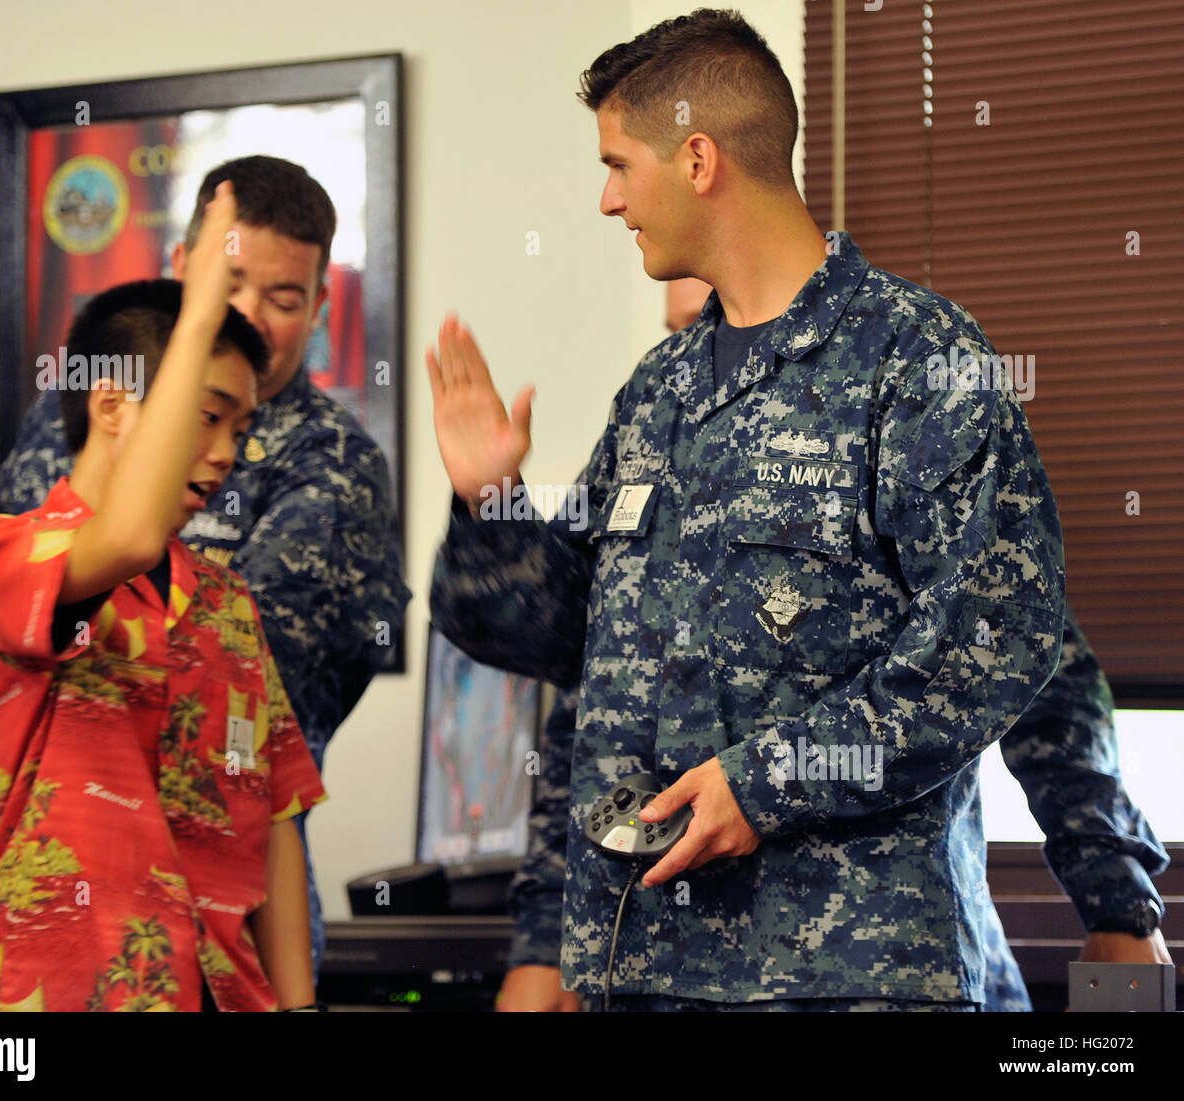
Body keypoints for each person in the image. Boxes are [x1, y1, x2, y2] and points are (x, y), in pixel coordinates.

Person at [430, 9, 1074, 1011]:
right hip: (640, 963)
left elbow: (993, 643)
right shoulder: (660, 390)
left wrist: (766, 781)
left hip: (841, 978)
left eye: (616, 164)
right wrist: (488, 501)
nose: (606, 201)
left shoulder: (914, 359)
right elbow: (560, 639)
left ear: (696, 158)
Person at [494, 287, 1171, 1013]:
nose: (709, 338)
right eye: (692, 323)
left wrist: (1118, 905)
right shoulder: (659, 408)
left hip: (876, 965)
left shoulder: (896, 380)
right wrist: (542, 938)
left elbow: (1026, 670)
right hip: (659, 964)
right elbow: (595, 704)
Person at [0, 155, 410, 1009]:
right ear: (114, 404)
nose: (227, 452)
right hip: (64, 973)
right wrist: (196, 320)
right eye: (204, 418)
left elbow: (276, 804)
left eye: (237, 426)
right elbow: (116, 537)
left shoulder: (228, 600)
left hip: (225, 973)